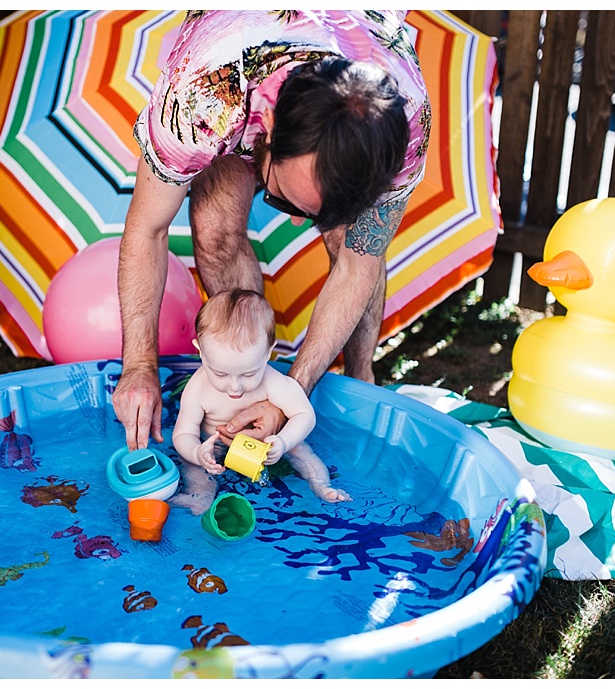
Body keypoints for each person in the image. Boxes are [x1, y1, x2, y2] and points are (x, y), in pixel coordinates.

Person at [112, 10, 430, 451]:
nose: (298, 222)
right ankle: (248, 375)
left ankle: (363, 378)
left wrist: (288, 397)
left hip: (361, 33)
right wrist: (139, 366)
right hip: (237, 64)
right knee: (216, 229)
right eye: (285, 198)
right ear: (270, 127)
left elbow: (359, 265)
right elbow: (148, 229)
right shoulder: (202, 99)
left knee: (353, 244)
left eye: (319, 213)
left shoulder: (408, 126)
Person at [171, 289, 351, 515]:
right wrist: (198, 452)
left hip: (269, 445)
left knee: (300, 450)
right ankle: (201, 496)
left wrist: (284, 441)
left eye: (248, 375)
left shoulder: (273, 381)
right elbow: (182, 434)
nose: (234, 387)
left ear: (268, 352)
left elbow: (304, 415)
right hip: (215, 446)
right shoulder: (197, 388)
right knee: (193, 465)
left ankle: (322, 486)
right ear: (200, 352)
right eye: (220, 374)